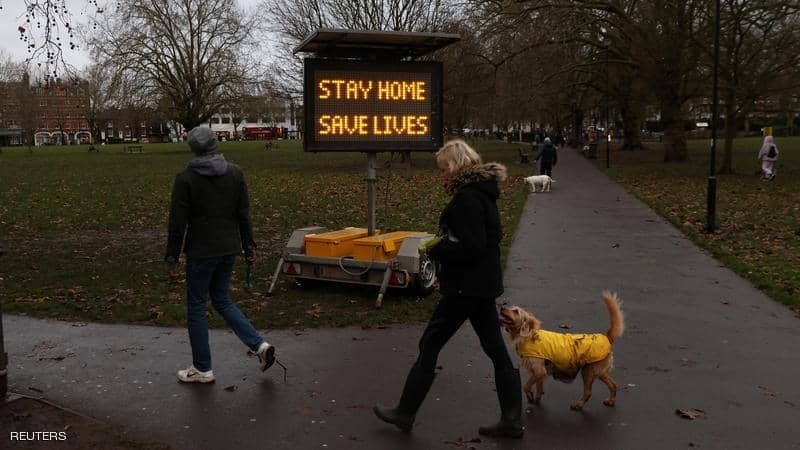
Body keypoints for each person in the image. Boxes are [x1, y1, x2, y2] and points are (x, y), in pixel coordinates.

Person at [373, 139, 523, 439]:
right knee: (495, 349)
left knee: (430, 343)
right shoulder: (484, 193)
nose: (441, 174)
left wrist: (437, 249)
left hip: (465, 287)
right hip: (482, 285)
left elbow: (472, 246)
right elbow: (488, 239)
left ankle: (405, 413)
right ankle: (512, 419)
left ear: (455, 167)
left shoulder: (467, 198)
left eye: (443, 168)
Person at [165, 126, 275, 383]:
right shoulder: (235, 173)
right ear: (215, 143)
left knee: (196, 306)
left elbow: (177, 223)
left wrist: (171, 256)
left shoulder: (186, 179)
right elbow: (244, 215)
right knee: (222, 300)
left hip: (201, 250)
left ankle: (202, 368)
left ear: (193, 148)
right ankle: (259, 345)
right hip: (228, 247)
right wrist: (249, 247)